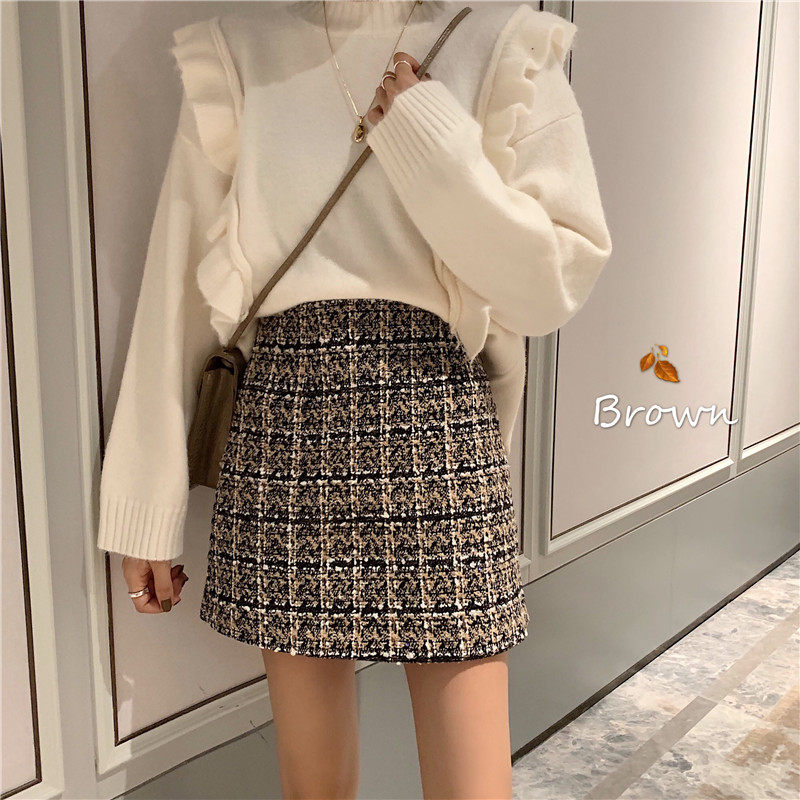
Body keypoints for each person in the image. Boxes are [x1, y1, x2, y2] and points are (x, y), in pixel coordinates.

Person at [97, 2, 612, 797]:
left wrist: (432, 145)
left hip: (437, 418)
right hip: (286, 417)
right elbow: (179, 287)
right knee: (315, 788)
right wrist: (147, 500)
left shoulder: (505, 43)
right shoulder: (241, 53)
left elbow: (550, 291)